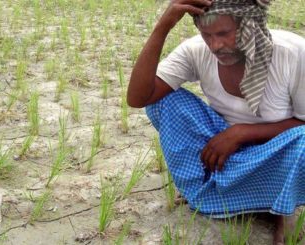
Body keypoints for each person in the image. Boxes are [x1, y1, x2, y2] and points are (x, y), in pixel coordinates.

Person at [127, 0, 305, 244]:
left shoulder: (292, 53)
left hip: (275, 150)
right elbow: (139, 97)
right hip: (220, 151)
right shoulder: (195, 50)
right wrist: (163, 26)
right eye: (206, 35)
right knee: (164, 101)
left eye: (224, 33)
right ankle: (215, 191)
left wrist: (243, 133)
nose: (215, 45)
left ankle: (281, 211)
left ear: (250, 25)